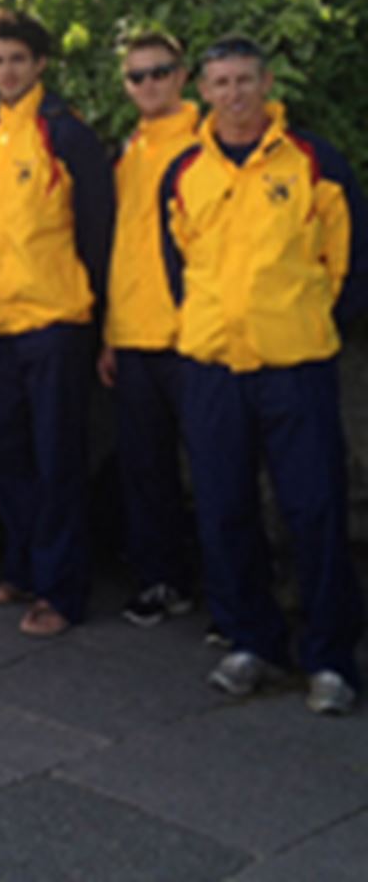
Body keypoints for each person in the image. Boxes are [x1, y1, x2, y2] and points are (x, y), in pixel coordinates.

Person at [160, 35, 366, 715]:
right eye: (220, 82)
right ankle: (253, 640)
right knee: (222, 508)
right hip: (214, 366)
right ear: (205, 90)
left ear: (266, 82)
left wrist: (302, 318)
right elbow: (179, 263)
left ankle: (331, 657)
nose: (234, 94)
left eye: (245, 80)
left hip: (294, 365)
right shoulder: (186, 170)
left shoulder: (313, 161)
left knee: (314, 509)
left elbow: (349, 262)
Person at [0, 8, 114, 637]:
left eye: (18, 60)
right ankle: (26, 566)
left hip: (57, 321)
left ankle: (62, 590)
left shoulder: (66, 134)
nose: (7, 71)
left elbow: (99, 231)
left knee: (58, 459)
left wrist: (104, 324)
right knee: (2, 453)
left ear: (40, 64)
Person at [98, 33, 199, 627]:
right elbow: (123, 252)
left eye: (159, 72)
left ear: (182, 77)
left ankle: (234, 593)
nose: (148, 84)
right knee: (145, 470)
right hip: (133, 337)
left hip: (192, 338)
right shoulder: (130, 150)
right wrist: (111, 334)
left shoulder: (203, 144)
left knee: (216, 473)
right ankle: (163, 579)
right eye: (136, 76)